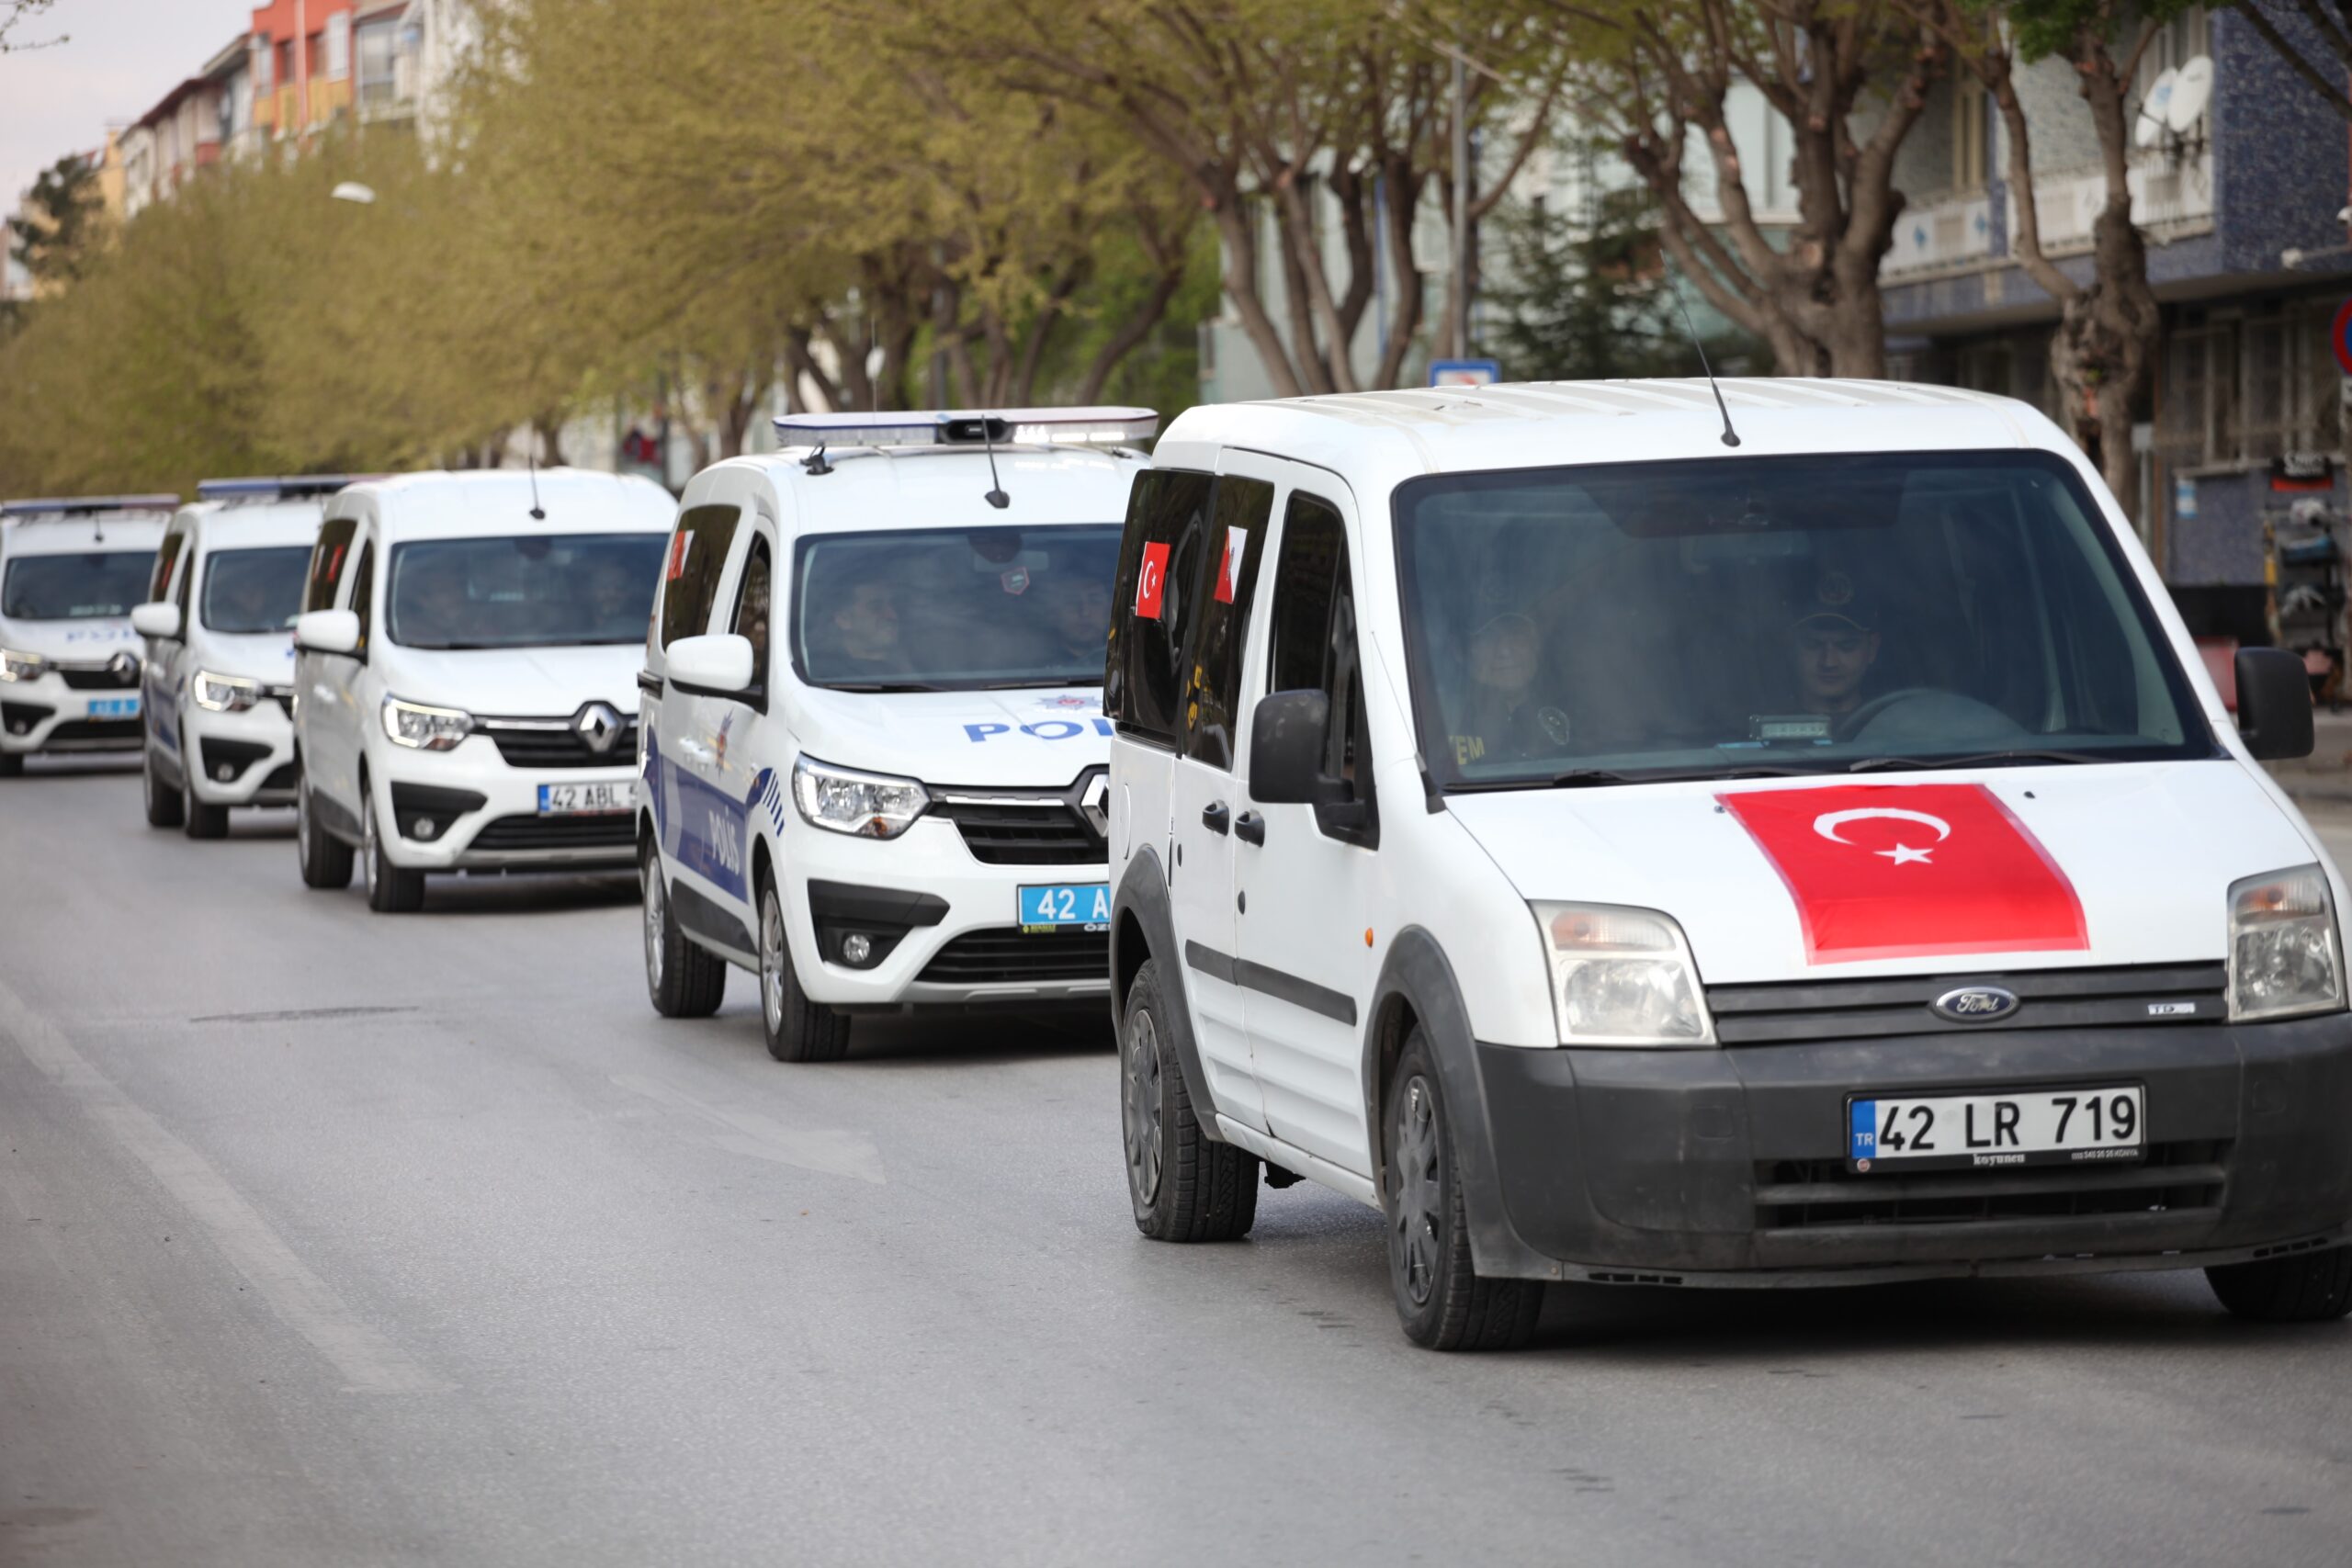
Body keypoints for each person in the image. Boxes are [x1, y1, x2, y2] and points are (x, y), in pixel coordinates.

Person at [1446, 609, 1570, 767]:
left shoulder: (1576, 713)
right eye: (1488, 637)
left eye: (1517, 635)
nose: (1505, 650)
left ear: (1536, 643)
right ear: (1462, 651)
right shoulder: (1443, 719)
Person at [1791, 571, 1880, 717]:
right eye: (1812, 644)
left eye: (1847, 646)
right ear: (1790, 645)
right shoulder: (1749, 731)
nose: (1829, 662)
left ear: (1872, 649)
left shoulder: (1897, 730)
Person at [1036, 570, 1112, 670]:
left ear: (1108, 612)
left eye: (1095, 601)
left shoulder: (1126, 663)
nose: (1085, 612)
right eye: (1072, 602)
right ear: (1054, 614)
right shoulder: (1037, 670)